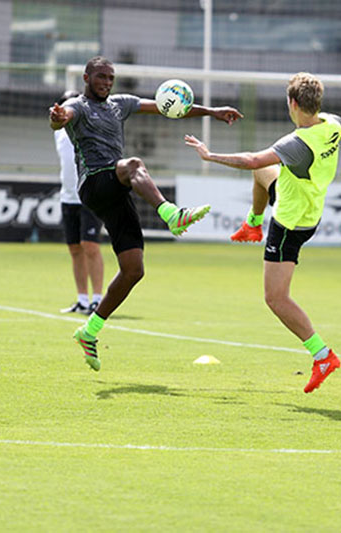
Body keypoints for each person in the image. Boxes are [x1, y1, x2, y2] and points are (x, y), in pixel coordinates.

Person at [49, 56, 242, 371]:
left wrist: (211, 111)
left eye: (110, 78)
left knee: (133, 269)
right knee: (134, 164)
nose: (106, 82)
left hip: (115, 189)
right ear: (86, 78)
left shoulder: (120, 104)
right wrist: (58, 118)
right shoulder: (79, 107)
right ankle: (171, 214)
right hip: (94, 182)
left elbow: (168, 107)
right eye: (100, 77)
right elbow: (62, 118)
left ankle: (89, 331)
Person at [184, 72, 341, 393]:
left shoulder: (296, 143)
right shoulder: (333, 123)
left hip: (290, 224)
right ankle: (252, 224)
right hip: (308, 207)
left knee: (275, 298)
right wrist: (337, 139)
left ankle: (322, 356)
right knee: (266, 172)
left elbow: (251, 159)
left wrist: (210, 156)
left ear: (292, 103)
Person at [55, 90, 105, 316]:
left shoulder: (90, 127)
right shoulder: (59, 131)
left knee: (90, 246)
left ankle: (98, 299)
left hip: (90, 195)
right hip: (68, 197)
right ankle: (82, 299)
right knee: (75, 249)